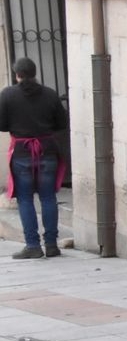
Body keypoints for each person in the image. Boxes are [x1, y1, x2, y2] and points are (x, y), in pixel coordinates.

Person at [0, 57, 68, 259]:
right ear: (35, 72)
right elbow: (61, 122)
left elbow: (2, 125)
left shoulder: (8, 95)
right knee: (48, 197)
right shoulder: (49, 94)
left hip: (22, 151)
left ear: (17, 74)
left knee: (25, 199)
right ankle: (52, 244)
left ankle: (32, 245)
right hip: (47, 149)